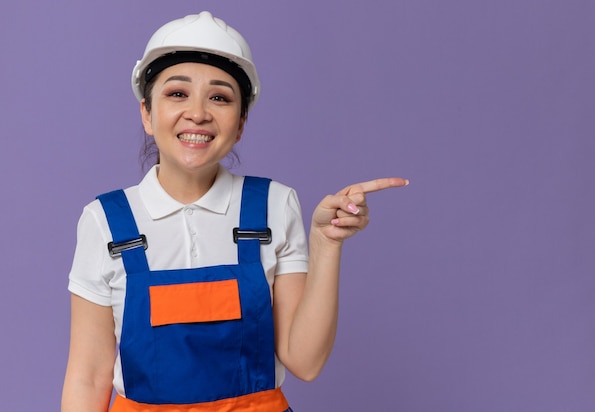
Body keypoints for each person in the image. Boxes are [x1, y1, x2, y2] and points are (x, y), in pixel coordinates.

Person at [61, 11, 408, 412]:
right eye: (177, 93)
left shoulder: (274, 206)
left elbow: (306, 361)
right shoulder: (105, 220)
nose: (198, 113)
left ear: (240, 123)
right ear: (146, 113)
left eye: (220, 97)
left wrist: (326, 243)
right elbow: (88, 375)